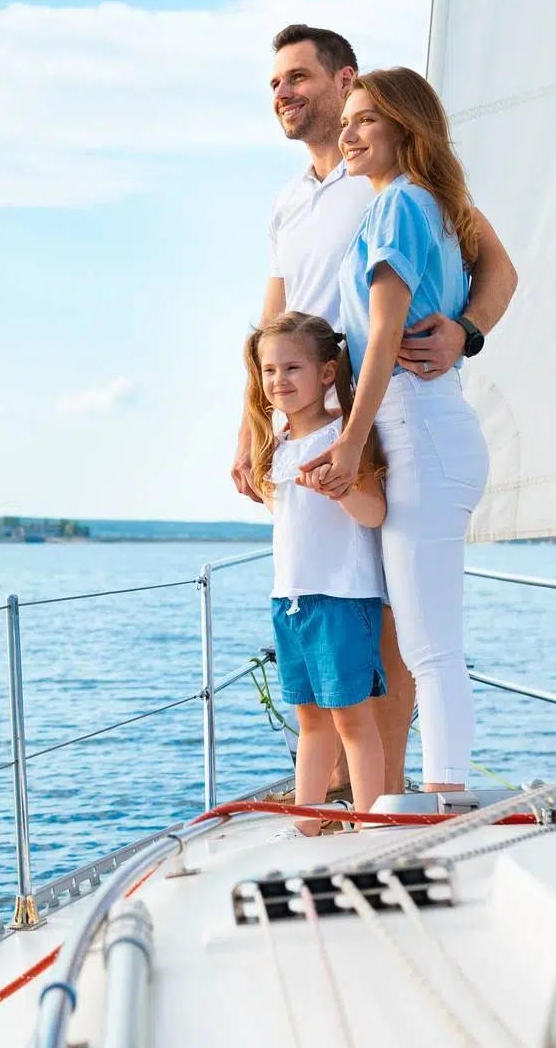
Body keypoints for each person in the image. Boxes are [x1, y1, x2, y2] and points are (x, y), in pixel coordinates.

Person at [234, 24, 517, 796]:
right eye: (273, 84)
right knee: (329, 598)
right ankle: (343, 798)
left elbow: (496, 265)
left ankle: (385, 795)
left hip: (379, 417)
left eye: (296, 77)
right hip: (307, 422)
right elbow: (271, 320)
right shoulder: (288, 203)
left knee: (393, 619)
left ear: (343, 80)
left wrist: (466, 331)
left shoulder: (395, 185)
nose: (282, 94)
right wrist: (249, 424)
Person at [305, 67, 493, 793]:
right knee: (424, 639)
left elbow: (380, 333)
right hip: (427, 426)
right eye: (345, 121)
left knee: (428, 644)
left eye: (365, 121)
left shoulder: (399, 207)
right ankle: (436, 788)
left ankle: (445, 795)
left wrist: (349, 442)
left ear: (405, 130)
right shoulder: (430, 208)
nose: (347, 134)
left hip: (415, 428)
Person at [242, 310, 389, 830]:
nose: (279, 380)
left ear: (327, 373)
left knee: (352, 717)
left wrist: (343, 487)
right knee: (308, 717)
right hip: (291, 600)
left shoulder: (344, 436)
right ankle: (309, 820)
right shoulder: (276, 446)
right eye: (269, 371)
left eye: (292, 368)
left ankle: (371, 823)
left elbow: (374, 513)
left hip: (342, 598)